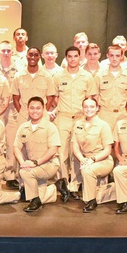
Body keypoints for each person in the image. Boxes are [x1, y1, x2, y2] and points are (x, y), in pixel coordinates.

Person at [51, 46, 98, 199]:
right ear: (66, 58)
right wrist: (61, 108)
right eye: (69, 56)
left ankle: (74, 186)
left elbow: (91, 97)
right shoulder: (58, 76)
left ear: (80, 57)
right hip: (63, 118)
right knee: (62, 153)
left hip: (80, 118)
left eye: (75, 56)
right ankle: (63, 184)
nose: (72, 59)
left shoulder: (87, 77)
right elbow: (55, 97)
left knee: (77, 153)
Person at [13, 96, 61, 212]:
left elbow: (53, 150)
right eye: (32, 108)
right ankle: (56, 187)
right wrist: (22, 162)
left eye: (38, 108)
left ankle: (34, 200)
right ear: (28, 110)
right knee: (39, 195)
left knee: (25, 173)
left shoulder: (50, 127)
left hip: (49, 165)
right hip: (32, 166)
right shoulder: (23, 127)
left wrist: (35, 163)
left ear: (43, 109)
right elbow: (16, 147)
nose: (35, 111)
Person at [70, 96, 113, 213]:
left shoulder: (103, 125)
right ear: (82, 108)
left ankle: (91, 200)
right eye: (86, 107)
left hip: (102, 160)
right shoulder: (78, 124)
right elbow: (75, 146)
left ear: (97, 108)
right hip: (85, 159)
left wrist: (92, 160)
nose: (89, 109)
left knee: (87, 170)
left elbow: (108, 150)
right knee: (86, 169)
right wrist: (82, 159)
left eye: (92, 107)